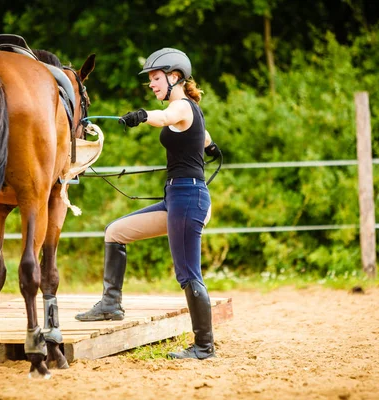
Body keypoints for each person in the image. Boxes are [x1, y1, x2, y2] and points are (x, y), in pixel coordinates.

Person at [75, 48, 221, 360]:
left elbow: (167, 118)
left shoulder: (180, 106)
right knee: (116, 231)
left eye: (156, 78)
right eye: (151, 80)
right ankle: (111, 305)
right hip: (175, 197)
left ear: (175, 77)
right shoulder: (190, 109)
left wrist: (143, 116)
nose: (152, 84)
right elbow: (201, 132)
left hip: (189, 197)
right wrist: (210, 146)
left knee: (187, 273)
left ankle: (204, 347)